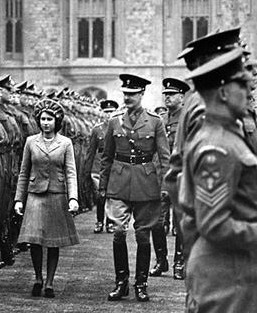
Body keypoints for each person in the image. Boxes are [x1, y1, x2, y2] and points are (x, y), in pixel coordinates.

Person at [180, 48, 257, 312]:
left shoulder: (224, 135)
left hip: (234, 268)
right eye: (243, 84)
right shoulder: (217, 147)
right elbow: (214, 224)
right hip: (227, 277)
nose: (249, 91)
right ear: (223, 92)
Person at [99, 74, 170, 302]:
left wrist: (165, 186)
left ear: (141, 94)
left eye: (132, 94)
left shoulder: (155, 121)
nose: (127, 98)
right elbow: (107, 157)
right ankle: (121, 283)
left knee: (142, 235)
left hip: (146, 183)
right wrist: (103, 186)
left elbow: (165, 157)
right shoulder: (114, 121)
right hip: (119, 183)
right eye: (125, 94)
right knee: (119, 232)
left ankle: (141, 283)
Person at [13, 99, 79, 299]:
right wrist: (18, 199)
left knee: (53, 242)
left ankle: (50, 282)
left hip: (57, 195)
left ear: (56, 121)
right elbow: (24, 172)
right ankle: (38, 278)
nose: (46, 123)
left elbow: (71, 172)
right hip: (35, 195)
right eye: (43, 119)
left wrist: (73, 198)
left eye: (50, 119)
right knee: (34, 240)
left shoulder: (65, 143)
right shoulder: (31, 142)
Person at [150, 78, 189, 280]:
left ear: (182, 97)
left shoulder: (188, 119)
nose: (167, 97)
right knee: (157, 222)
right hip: (160, 177)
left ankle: (179, 262)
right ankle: (161, 260)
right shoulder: (160, 120)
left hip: (181, 178)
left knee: (181, 223)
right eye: (165, 94)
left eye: (171, 94)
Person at [83, 99, 118, 234]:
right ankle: (99, 221)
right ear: (102, 113)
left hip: (114, 166)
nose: (109, 114)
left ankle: (110, 222)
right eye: (106, 112)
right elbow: (91, 151)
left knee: (111, 196)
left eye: (111, 112)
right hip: (98, 167)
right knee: (100, 196)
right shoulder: (97, 130)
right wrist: (87, 170)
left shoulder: (119, 128)